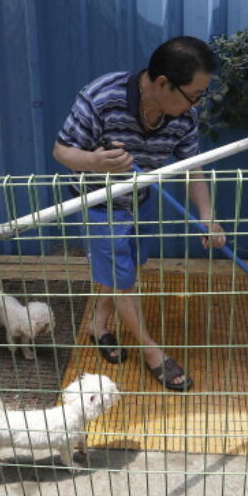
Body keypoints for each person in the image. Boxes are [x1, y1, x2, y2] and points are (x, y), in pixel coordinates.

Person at [53, 36, 226, 392]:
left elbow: (193, 169)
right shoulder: (102, 98)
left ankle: (99, 324)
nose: (197, 103)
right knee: (123, 278)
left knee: (125, 268)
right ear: (163, 83)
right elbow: (62, 151)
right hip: (96, 203)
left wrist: (207, 214)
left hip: (139, 199)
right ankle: (153, 353)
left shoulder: (183, 117)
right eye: (194, 94)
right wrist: (95, 162)